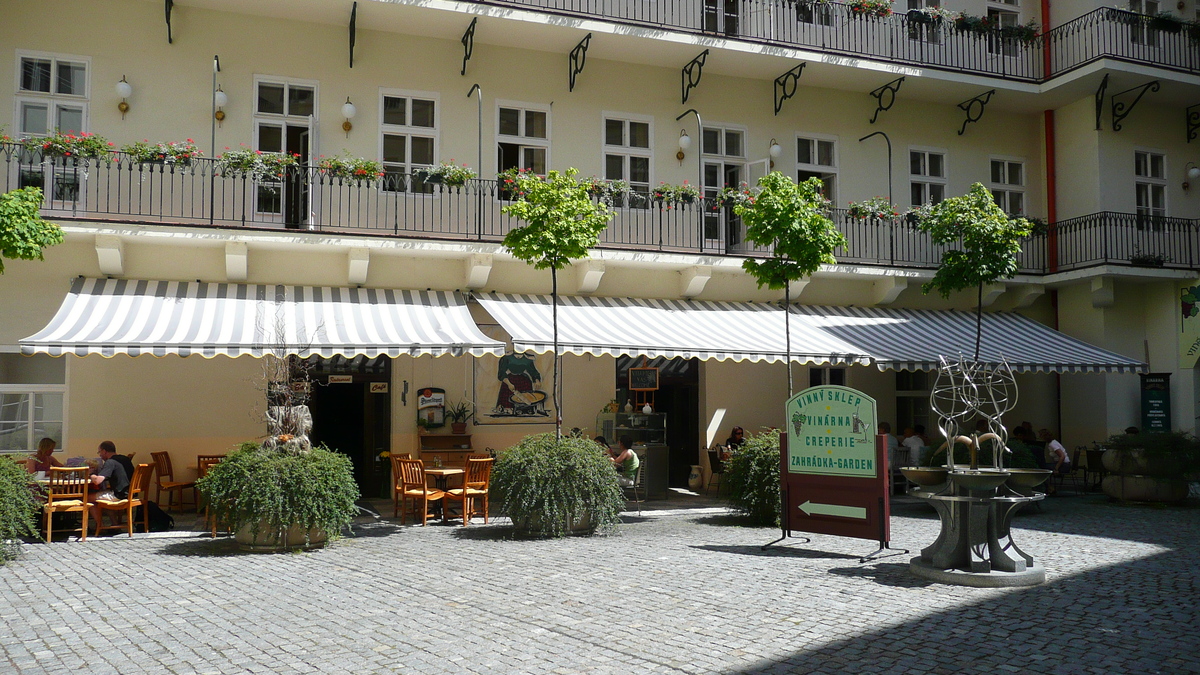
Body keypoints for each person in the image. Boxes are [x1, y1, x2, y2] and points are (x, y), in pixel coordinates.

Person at [89, 441, 131, 533]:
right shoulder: (126, 459)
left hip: (118, 495)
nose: (100, 455)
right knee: (103, 494)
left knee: (87, 498)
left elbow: (97, 481)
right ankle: (115, 524)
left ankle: (100, 527)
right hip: (130, 493)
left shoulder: (110, 462)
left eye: (99, 452)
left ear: (104, 451)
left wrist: (91, 474)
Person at [1040, 429, 1070, 494]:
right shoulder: (1053, 442)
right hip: (1063, 464)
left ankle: (1050, 488)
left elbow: (1062, 456)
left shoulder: (1053, 445)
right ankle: (1049, 487)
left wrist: (1056, 468)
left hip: (1064, 465)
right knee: (1044, 467)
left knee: (1042, 469)